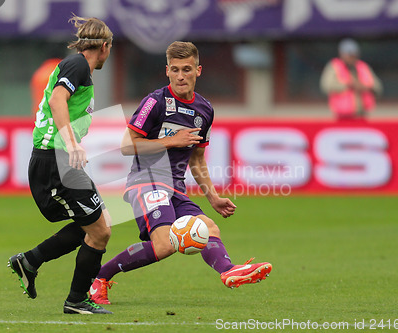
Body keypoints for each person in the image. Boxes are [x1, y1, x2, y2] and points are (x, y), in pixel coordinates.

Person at [89, 41, 272, 305]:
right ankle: (99, 277)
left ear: (199, 70)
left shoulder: (205, 110)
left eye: (187, 69)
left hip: (174, 187)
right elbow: (127, 146)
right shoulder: (155, 102)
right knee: (164, 244)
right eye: (175, 70)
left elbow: (197, 159)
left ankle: (229, 271)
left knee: (210, 228)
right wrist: (170, 141)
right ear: (167, 71)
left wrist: (213, 198)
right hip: (146, 181)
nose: (181, 76)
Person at [8, 15, 114, 315]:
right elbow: (57, 101)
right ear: (104, 47)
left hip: (58, 158)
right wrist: (72, 143)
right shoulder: (78, 64)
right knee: (100, 231)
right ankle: (77, 300)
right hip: (56, 158)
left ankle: (29, 261)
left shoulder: (78, 69)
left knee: (98, 224)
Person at [320, 38, 382, 121]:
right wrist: (348, 84)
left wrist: (365, 87)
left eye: (353, 55)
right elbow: (326, 85)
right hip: (342, 116)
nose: (351, 57)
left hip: (362, 114)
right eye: (349, 55)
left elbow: (377, 87)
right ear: (341, 54)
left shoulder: (363, 66)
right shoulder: (334, 66)